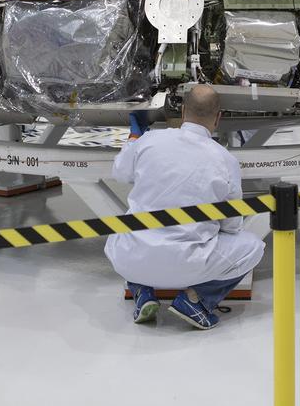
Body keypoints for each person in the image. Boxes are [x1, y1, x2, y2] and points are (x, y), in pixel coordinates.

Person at [104, 85, 265, 330]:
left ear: (182, 110)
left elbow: (119, 172)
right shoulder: (225, 160)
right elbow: (232, 226)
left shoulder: (150, 142)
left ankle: (142, 292)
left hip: (133, 259)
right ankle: (196, 301)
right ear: (219, 117)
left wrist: (134, 139)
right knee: (253, 247)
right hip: (191, 265)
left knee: (118, 233)